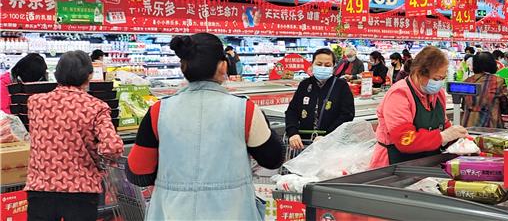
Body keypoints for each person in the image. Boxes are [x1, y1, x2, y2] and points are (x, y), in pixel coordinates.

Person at [126, 33, 283, 219]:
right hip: (233, 212)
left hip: (172, 212)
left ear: (183, 66)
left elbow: (138, 172)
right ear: (223, 66)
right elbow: (273, 158)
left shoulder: (158, 111)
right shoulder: (244, 110)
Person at [26, 51, 123, 220]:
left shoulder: (35, 102)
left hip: (40, 187)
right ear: (89, 75)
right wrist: (97, 156)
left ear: (56, 74)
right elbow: (112, 147)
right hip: (81, 189)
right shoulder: (96, 107)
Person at [370, 46, 468, 168]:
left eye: (443, 78)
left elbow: (443, 125)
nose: (439, 83)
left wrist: (459, 139)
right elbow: (404, 139)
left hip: (428, 162)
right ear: (418, 73)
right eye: (436, 78)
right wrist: (442, 136)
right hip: (396, 164)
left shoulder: (438, 94)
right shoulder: (399, 94)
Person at [285, 48, 355, 150]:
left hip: (331, 144)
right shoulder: (305, 84)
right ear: (312, 64)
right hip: (304, 143)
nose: (323, 67)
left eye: (327, 65)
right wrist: (293, 132)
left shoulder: (341, 86)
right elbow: (292, 111)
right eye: (319, 64)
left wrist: (328, 136)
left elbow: (347, 115)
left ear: (333, 66)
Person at [462, 52, 508, 128]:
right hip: (490, 127)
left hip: (467, 126)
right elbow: (506, 106)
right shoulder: (497, 81)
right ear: (492, 64)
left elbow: (464, 105)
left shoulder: (467, 81)